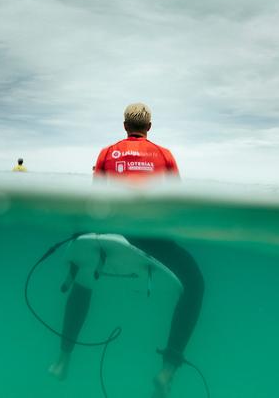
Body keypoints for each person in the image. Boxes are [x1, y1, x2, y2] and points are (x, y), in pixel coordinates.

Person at [49, 103, 205, 398]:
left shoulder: (107, 152)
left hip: (111, 233)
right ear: (149, 127)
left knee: (84, 274)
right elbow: (174, 199)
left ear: (124, 126)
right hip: (151, 241)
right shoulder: (165, 155)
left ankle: (63, 359)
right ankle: (166, 371)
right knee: (195, 283)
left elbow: (96, 197)